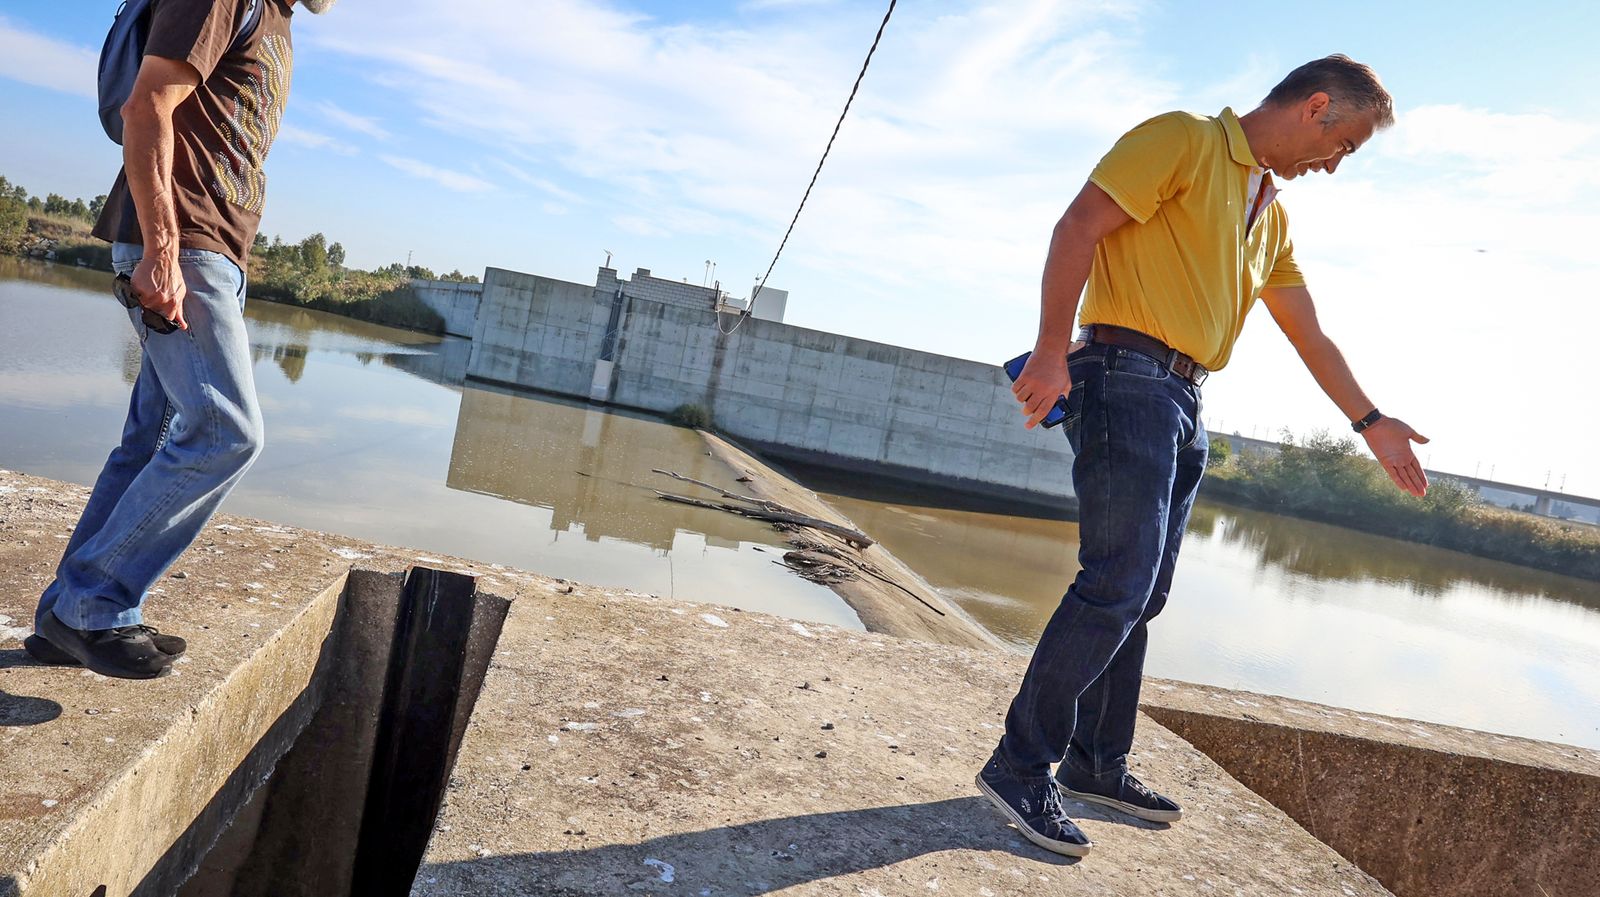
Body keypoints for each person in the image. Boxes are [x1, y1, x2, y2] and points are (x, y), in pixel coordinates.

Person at [977, 55, 1431, 857]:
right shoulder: (1182, 142)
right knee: (1114, 581)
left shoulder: (1271, 213)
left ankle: (1095, 762)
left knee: (1142, 594)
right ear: (1317, 106)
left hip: (1186, 400)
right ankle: (1021, 765)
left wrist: (1371, 420)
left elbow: (1308, 332)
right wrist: (1051, 352)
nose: (1334, 165)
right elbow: (1076, 226)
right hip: (1124, 378)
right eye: (1344, 145)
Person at [25, 0, 337, 679]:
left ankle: (63, 619)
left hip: (216, 252)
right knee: (227, 432)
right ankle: (93, 603)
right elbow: (147, 106)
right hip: (183, 244)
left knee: (153, 438)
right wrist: (163, 251)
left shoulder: (277, 17)